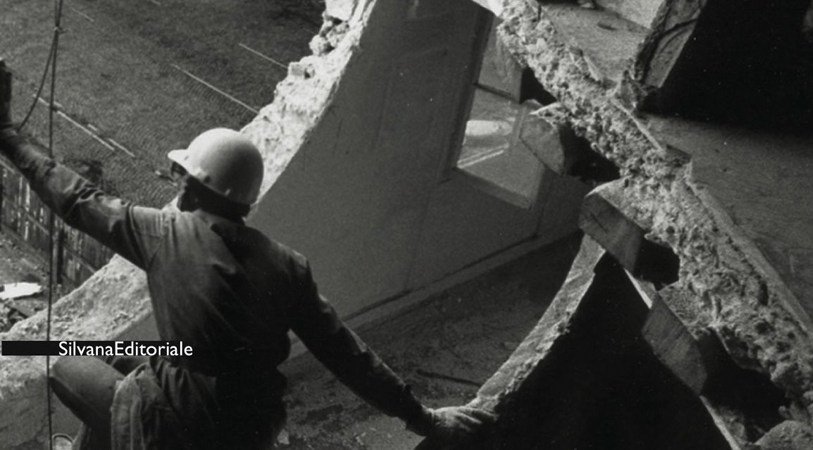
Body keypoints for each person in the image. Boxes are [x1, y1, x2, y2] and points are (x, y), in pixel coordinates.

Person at [0, 61, 490, 450]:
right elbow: (347, 354)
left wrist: (7, 134)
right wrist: (421, 417)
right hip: (245, 427)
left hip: (178, 426)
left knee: (66, 361)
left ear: (191, 187)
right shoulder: (288, 265)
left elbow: (76, 198)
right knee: (138, 358)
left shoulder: (164, 232)